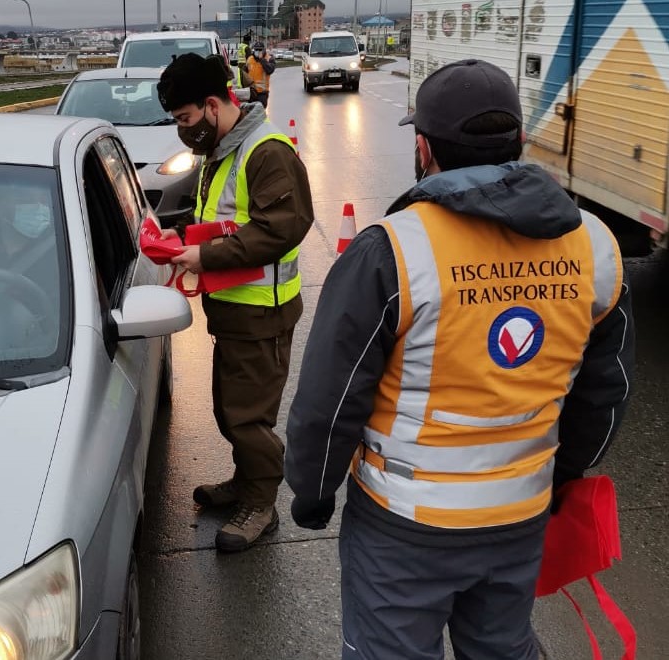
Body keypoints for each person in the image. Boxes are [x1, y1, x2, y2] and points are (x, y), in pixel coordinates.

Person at [285, 58, 635, 659]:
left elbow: (330, 399)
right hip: (519, 517)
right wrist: (561, 475)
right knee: (502, 648)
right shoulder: (596, 246)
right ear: (519, 142)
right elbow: (606, 392)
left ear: (424, 149)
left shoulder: (392, 250)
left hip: (406, 525)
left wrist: (313, 493)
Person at [156, 53, 314, 552]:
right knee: (230, 411)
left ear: (211, 104)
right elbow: (223, 218)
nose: (183, 131)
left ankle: (261, 504)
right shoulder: (223, 149)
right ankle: (246, 483)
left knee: (248, 418)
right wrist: (180, 236)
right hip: (234, 309)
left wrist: (206, 256)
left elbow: (280, 230)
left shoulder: (266, 151)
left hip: (262, 312)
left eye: (185, 119)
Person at [246, 43, 275, 108]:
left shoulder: (269, 59)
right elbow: (244, 73)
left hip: (262, 93)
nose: (258, 51)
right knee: (250, 114)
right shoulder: (250, 59)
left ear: (264, 50)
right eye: (256, 50)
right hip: (251, 92)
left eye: (260, 50)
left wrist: (262, 60)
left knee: (260, 114)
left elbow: (270, 70)